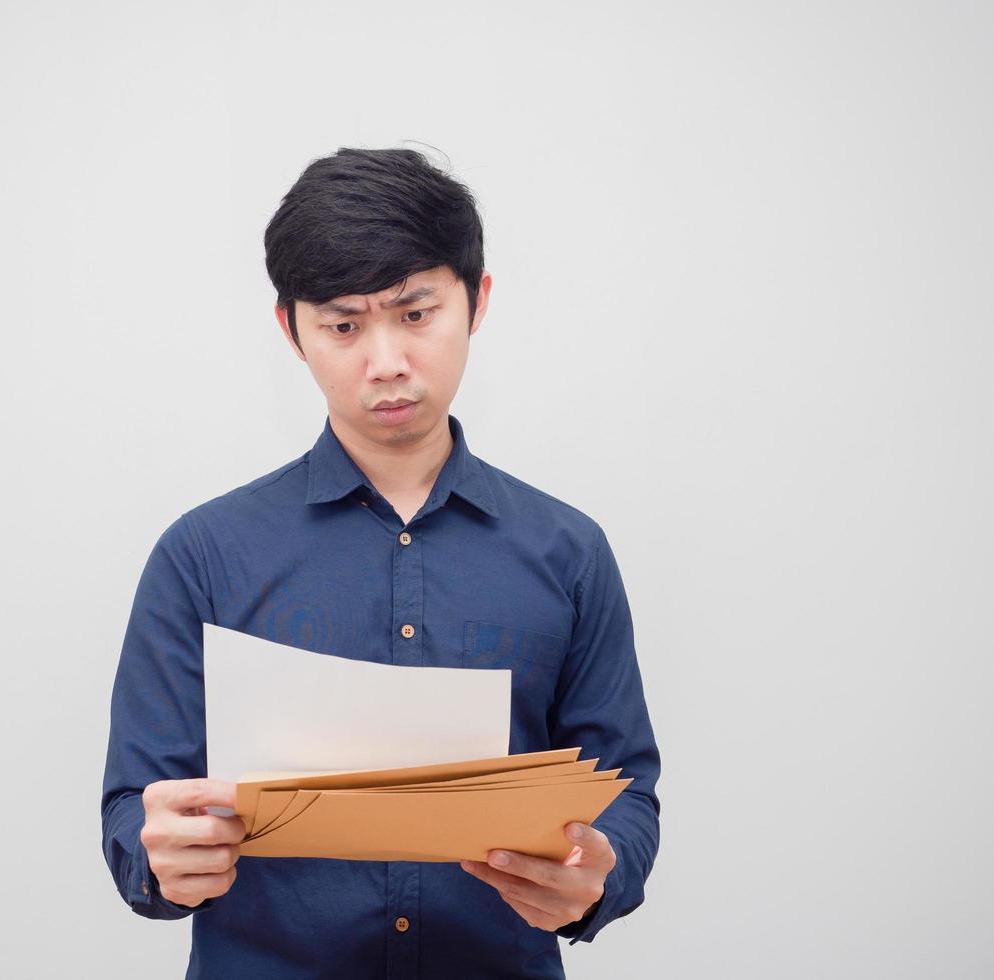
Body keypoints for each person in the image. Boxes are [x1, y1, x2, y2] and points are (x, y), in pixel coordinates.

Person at [100, 146, 661, 979]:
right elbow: (131, 812)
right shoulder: (204, 553)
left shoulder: (568, 552)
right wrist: (159, 861)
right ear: (291, 329)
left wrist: (598, 870)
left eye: (414, 312)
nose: (386, 362)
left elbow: (625, 789)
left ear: (476, 303)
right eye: (343, 324)